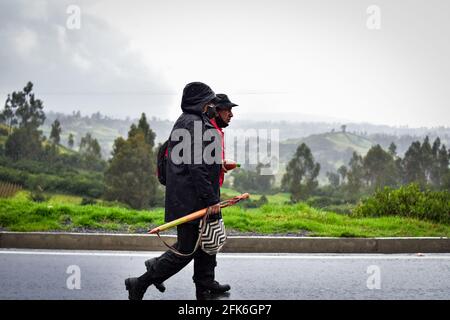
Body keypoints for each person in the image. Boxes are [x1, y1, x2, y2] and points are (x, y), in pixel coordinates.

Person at [125, 82, 231, 300]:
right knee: (187, 249)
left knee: (205, 243)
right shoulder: (194, 124)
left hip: (194, 196)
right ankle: (141, 282)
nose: (211, 106)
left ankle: (205, 284)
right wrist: (210, 199)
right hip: (193, 199)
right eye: (209, 102)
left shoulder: (190, 122)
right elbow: (195, 166)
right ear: (200, 102)